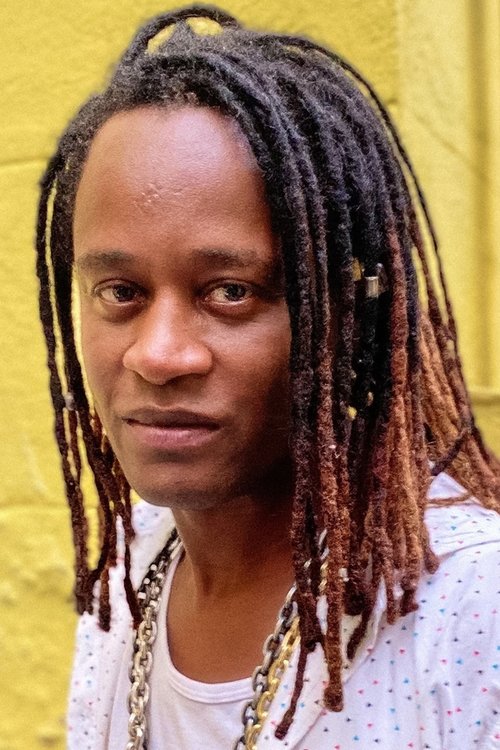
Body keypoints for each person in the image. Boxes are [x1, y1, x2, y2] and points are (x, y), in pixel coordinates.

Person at [35, 5, 500, 749]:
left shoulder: (471, 610)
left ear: (345, 314)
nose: (158, 355)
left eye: (231, 292)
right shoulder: (128, 579)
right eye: (120, 292)